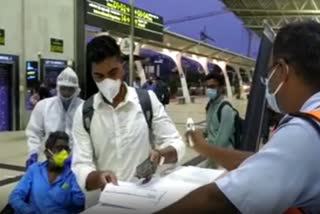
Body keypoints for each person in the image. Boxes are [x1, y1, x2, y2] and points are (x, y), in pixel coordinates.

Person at [155, 20, 320, 214]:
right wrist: (202, 146)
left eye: (269, 72)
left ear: (282, 70)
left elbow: (217, 201)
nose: (267, 82)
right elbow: (262, 163)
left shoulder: (305, 132)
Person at [71, 35, 185, 193]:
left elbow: (177, 143)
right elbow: (80, 165)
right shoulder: (84, 113)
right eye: (99, 76)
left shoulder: (147, 101)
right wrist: (97, 177)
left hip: (143, 198)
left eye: (113, 73)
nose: (107, 82)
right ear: (92, 75)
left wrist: (161, 155)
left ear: (123, 67)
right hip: (104, 201)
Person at [9, 131, 85, 214]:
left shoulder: (69, 176)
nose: (64, 153)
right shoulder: (34, 170)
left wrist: (78, 175)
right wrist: (28, 211)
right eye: (59, 148)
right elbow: (15, 197)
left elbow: (79, 204)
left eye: (66, 149)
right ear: (47, 152)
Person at [25, 67, 84, 169]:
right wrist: (33, 152)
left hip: (76, 162)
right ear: (58, 87)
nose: (66, 92)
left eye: (70, 89)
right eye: (63, 88)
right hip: (49, 159)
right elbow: (34, 132)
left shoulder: (84, 108)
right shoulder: (43, 106)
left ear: (76, 89)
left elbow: (86, 138)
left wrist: (76, 157)